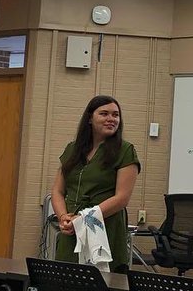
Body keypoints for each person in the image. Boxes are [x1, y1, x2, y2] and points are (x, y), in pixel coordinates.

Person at [51, 95, 140, 272]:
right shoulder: (72, 149)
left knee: (102, 285)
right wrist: (63, 218)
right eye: (104, 114)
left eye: (115, 115)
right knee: (67, 280)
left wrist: (84, 218)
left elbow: (122, 198)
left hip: (104, 228)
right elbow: (58, 191)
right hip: (72, 228)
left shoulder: (125, 151)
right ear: (90, 118)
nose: (111, 119)